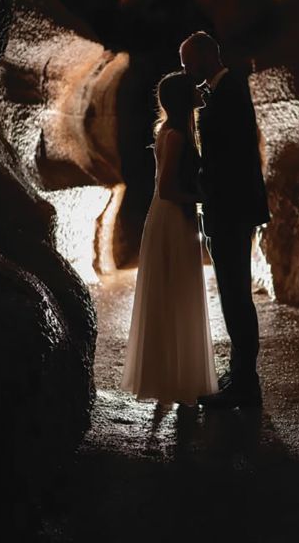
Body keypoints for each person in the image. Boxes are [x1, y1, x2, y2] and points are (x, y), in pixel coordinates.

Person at [179, 31, 270, 409]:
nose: (185, 71)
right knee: (233, 295)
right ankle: (240, 373)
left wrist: (197, 185)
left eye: (188, 63)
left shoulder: (230, 90)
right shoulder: (223, 90)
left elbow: (228, 158)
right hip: (228, 207)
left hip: (230, 209)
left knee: (236, 297)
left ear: (205, 57)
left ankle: (246, 386)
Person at [119, 71, 218, 406]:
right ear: (183, 98)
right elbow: (167, 188)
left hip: (171, 218)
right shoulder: (175, 135)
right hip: (172, 218)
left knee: (174, 295)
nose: (200, 90)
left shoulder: (172, 130)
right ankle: (175, 382)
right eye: (194, 88)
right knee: (175, 294)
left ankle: (172, 381)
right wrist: (207, 195)